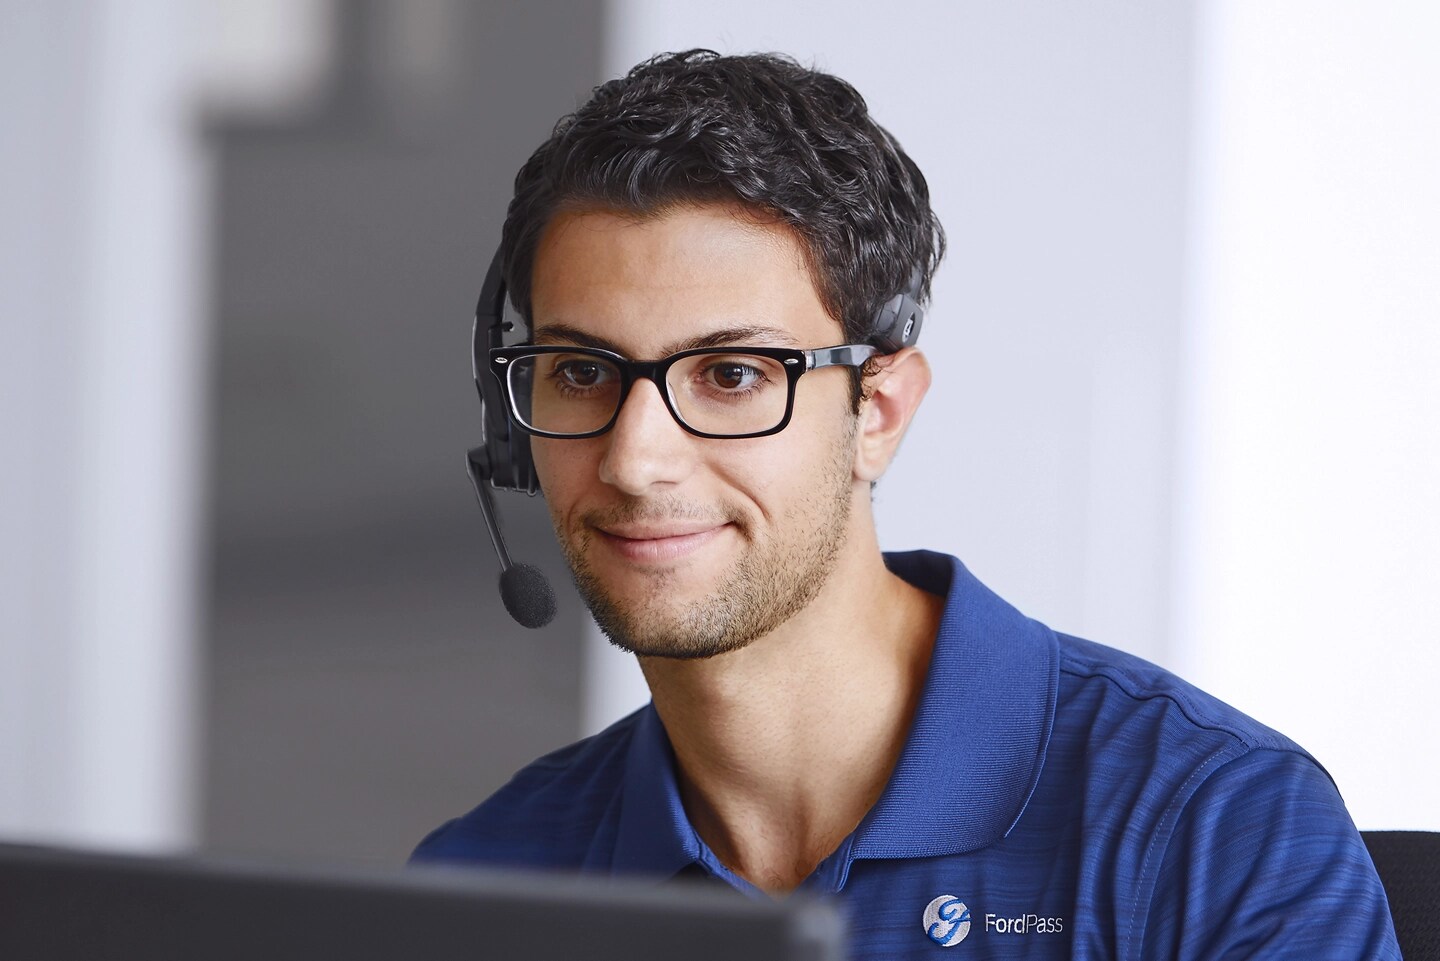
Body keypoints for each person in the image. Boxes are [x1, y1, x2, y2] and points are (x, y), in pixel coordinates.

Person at [412, 50, 1399, 959]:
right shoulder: (485, 880)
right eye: (581, 369)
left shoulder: (1211, 828)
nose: (634, 459)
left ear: (878, 409)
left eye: (732, 373)